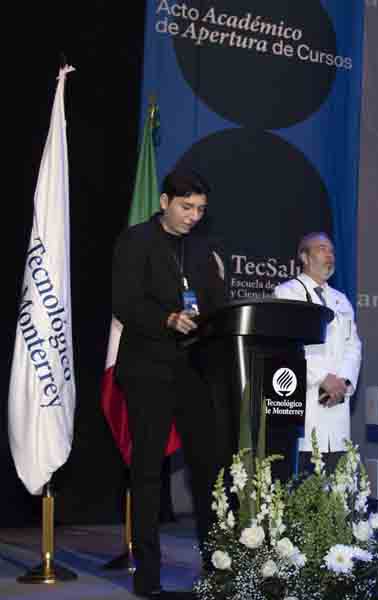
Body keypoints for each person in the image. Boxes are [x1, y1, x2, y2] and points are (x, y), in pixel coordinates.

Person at [111, 169, 226, 598]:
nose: (194, 216)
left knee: (208, 469)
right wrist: (166, 319)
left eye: (200, 209)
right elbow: (124, 301)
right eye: (186, 207)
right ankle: (148, 577)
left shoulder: (201, 248)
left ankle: (219, 570)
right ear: (164, 202)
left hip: (194, 371)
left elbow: (215, 303)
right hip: (148, 369)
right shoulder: (135, 241)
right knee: (147, 473)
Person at [273, 232, 362, 473]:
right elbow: (290, 344)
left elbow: (353, 345)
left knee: (337, 482)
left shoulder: (341, 299)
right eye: (322, 249)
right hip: (308, 399)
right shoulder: (287, 293)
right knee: (303, 477)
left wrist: (343, 380)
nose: (329, 255)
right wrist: (323, 378)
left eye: (332, 251)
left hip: (337, 402)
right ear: (304, 256)